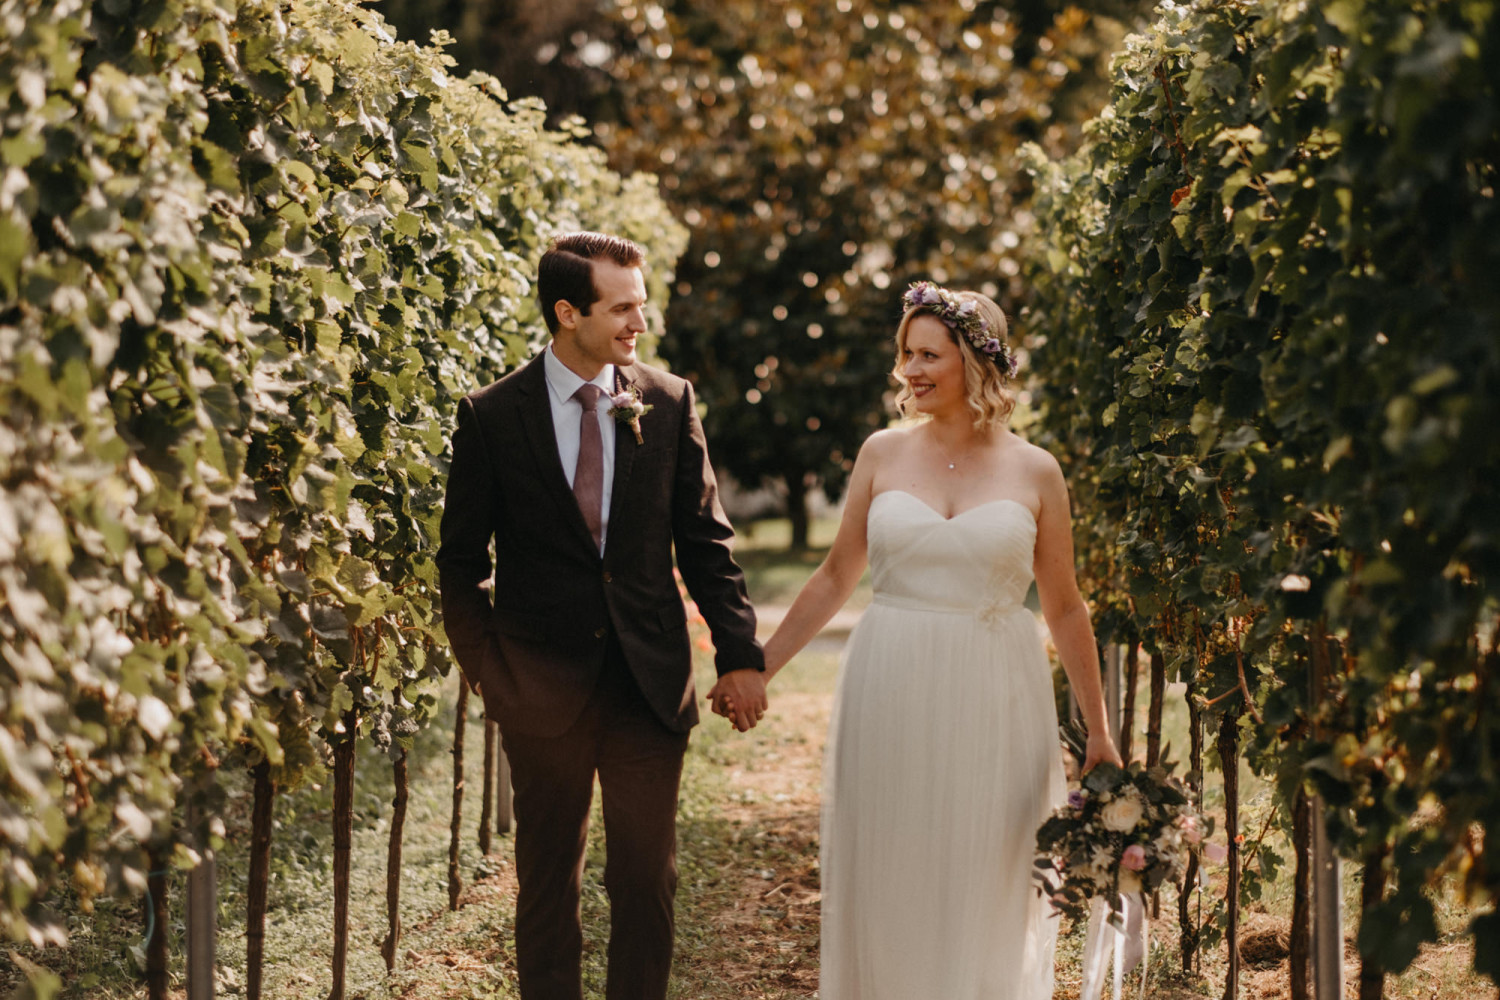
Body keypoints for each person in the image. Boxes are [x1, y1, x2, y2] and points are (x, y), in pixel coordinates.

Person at [711, 281, 1123, 998]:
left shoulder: (1037, 471)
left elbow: (1063, 605)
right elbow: (836, 576)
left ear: (974, 359)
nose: (912, 370)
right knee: (896, 861)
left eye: (930, 354)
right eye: (906, 354)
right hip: (892, 676)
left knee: (989, 866)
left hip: (998, 685)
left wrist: (1099, 731)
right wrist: (758, 670)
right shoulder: (880, 454)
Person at [436, 231, 768, 1000]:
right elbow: (460, 561)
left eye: (640, 307)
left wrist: (740, 653)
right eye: (622, 309)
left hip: (648, 685)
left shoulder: (670, 399)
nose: (637, 324)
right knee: (547, 887)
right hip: (539, 690)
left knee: (646, 882)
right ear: (566, 312)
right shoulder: (490, 416)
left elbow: (705, 541)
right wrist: (488, 668)